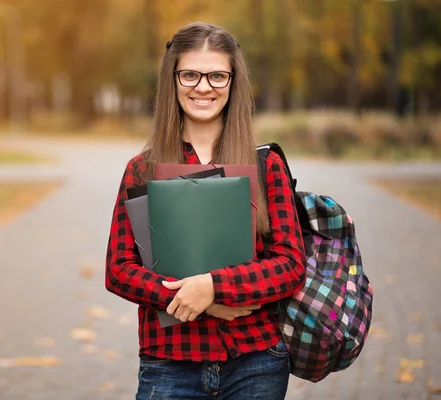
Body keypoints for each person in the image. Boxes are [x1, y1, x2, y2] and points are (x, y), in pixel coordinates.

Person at [105, 21, 306, 400]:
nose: (203, 87)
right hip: (169, 365)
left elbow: (291, 265)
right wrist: (199, 301)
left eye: (217, 75)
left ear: (232, 82)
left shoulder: (266, 165)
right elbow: (119, 270)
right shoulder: (141, 168)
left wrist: (213, 287)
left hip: (256, 362)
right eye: (191, 75)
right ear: (173, 80)